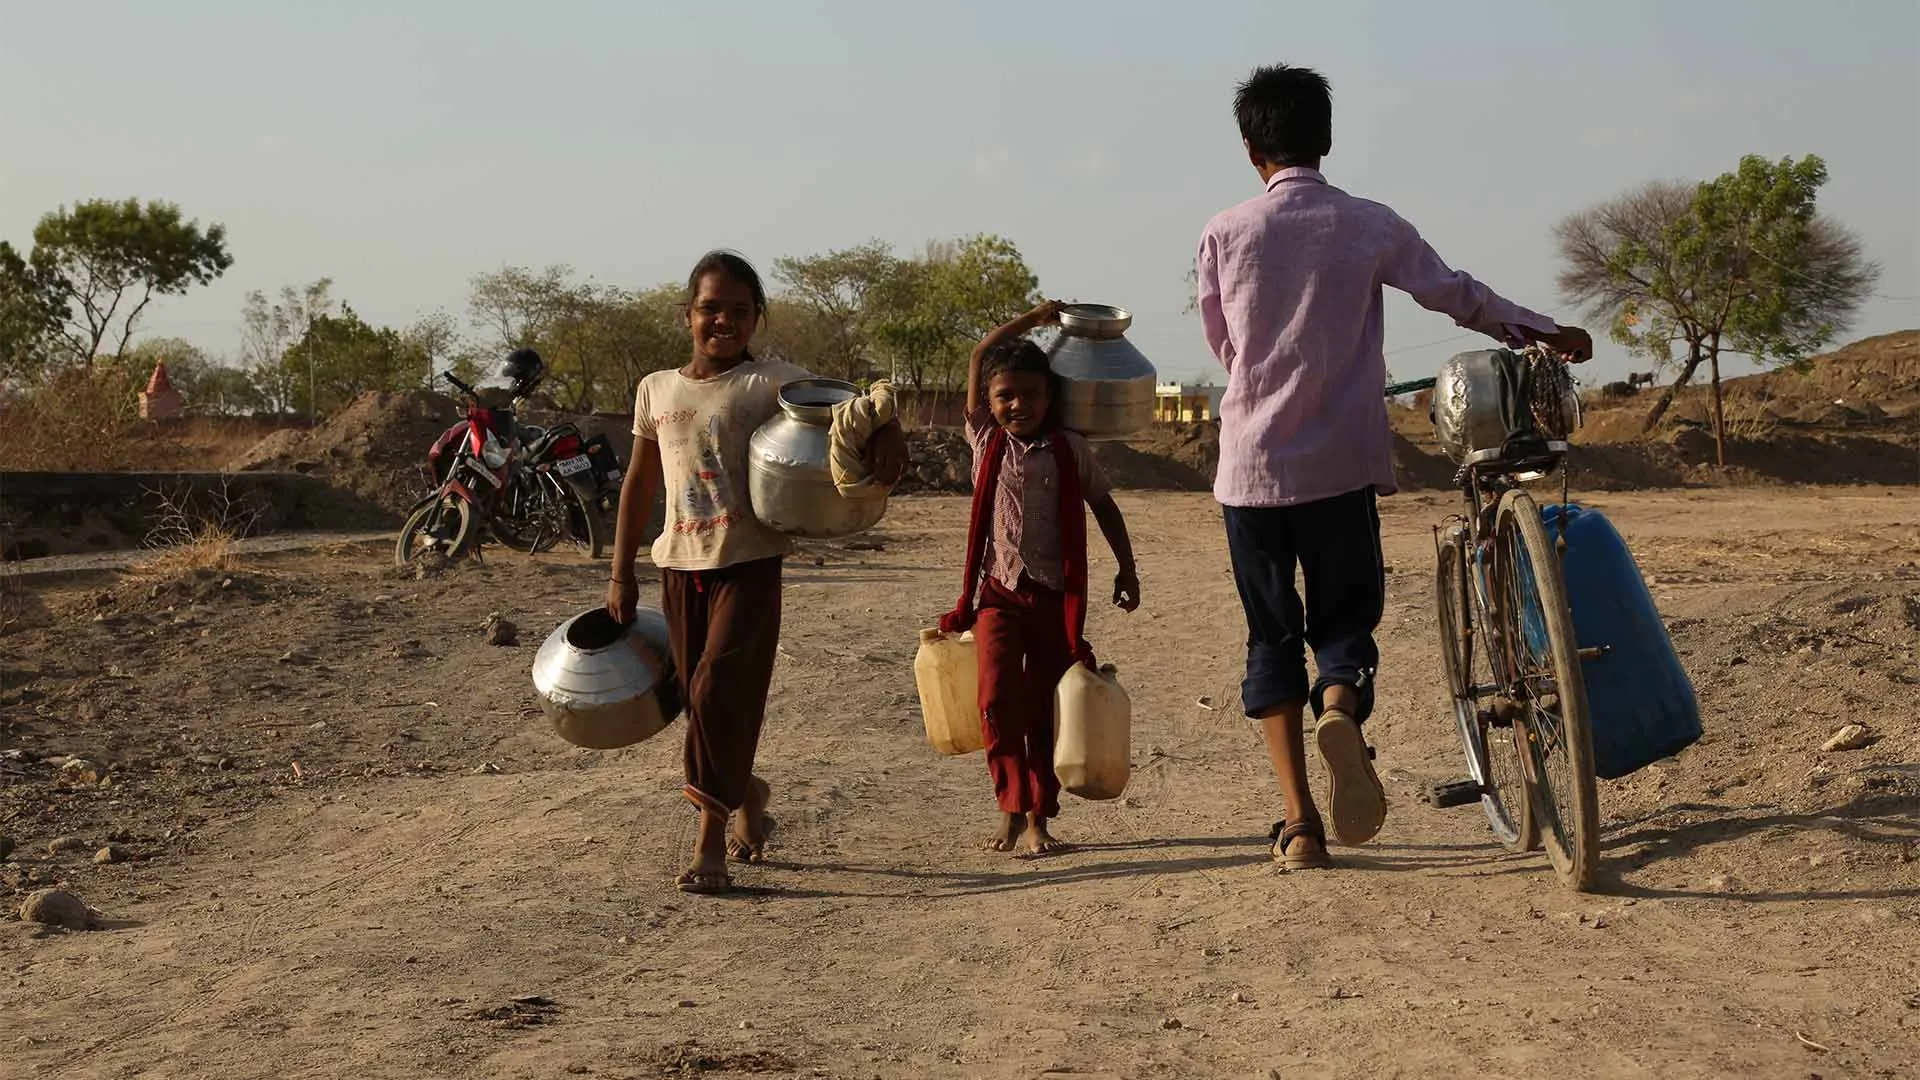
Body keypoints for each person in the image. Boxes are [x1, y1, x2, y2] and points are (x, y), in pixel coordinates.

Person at [1193, 64, 1593, 871]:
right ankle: (1338, 700)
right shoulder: (1368, 223)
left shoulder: (1224, 232)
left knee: (1271, 637)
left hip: (1250, 473)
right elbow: (1453, 293)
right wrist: (1541, 328)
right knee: (1343, 625)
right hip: (1338, 467)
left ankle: (1301, 827)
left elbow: (1225, 346)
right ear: (1328, 140)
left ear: (1250, 149)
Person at [606, 249, 908, 894]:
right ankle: (748, 793)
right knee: (697, 701)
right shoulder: (656, 389)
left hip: (748, 560)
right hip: (677, 563)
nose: (724, 321)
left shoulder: (769, 382)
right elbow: (639, 482)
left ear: (756, 318)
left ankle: (709, 843)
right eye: (711, 308)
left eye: (739, 311)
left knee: (719, 692)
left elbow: (858, 406)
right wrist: (620, 572)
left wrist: (888, 432)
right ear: (687, 314)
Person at [938, 300, 1140, 857]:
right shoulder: (984, 440)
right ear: (990, 403)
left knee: (1051, 704)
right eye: (1005, 396)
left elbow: (1103, 504)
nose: (1017, 404)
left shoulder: (1070, 449)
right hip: (998, 593)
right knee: (999, 698)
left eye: (1029, 394)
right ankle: (1008, 804)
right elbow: (982, 352)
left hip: (1054, 595)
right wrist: (1035, 317)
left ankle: (1038, 818)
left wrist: (1127, 567)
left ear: (1049, 396)